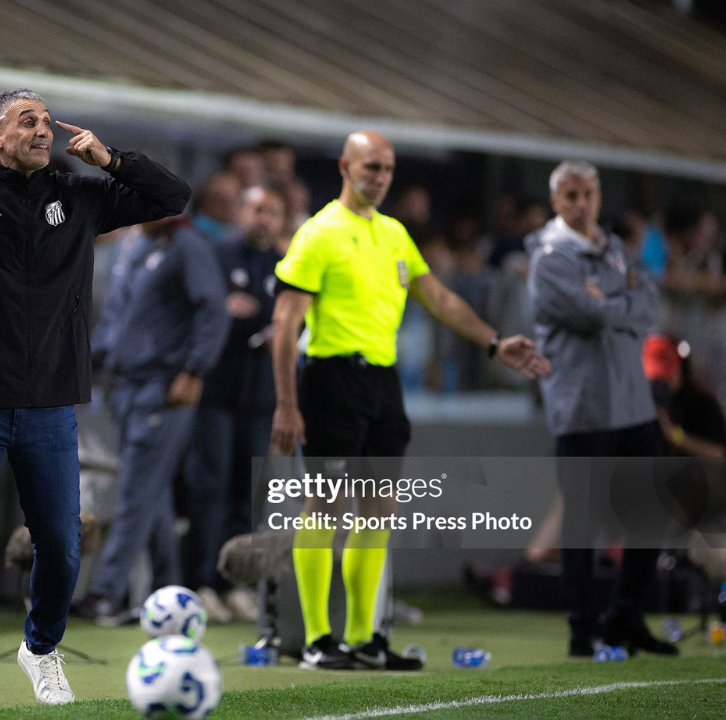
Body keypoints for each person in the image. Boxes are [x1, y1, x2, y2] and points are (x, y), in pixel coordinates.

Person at [0, 88, 190, 712]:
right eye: (28, 122)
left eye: (47, 122)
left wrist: (112, 160)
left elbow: (173, 198)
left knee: (62, 541)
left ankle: (41, 649)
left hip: (50, 400)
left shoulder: (79, 197)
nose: (44, 131)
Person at [271, 131, 548, 671]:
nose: (380, 176)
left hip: (383, 383)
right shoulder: (318, 233)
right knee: (325, 504)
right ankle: (316, 640)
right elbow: (285, 326)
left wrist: (494, 343)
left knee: (378, 508)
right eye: (371, 166)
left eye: (388, 168)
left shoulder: (394, 234)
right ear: (345, 166)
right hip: (330, 377)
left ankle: (362, 638)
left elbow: (438, 296)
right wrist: (287, 403)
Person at [526, 160, 677, 658]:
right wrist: (621, 301)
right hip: (584, 405)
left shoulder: (612, 248)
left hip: (632, 403)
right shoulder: (549, 257)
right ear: (556, 202)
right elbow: (589, 318)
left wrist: (611, 300)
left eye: (587, 194)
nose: (581, 204)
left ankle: (624, 617)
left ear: (597, 195)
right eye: (570, 196)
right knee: (582, 522)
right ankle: (581, 629)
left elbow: (650, 304)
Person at [79, 211, 229, 621]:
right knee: (152, 492)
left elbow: (213, 310)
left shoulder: (188, 246)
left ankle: (105, 592)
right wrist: (90, 369)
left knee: (136, 490)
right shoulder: (136, 244)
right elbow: (115, 315)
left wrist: (195, 369)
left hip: (163, 387)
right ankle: (168, 588)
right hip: (124, 384)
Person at [183, 185, 287, 622]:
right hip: (215, 396)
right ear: (241, 211)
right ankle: (201, 582)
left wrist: (264, 321)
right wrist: (228, 311)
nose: (264, 219)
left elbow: (286, 320)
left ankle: (236, 584)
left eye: (273, 212)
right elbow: (196, 312)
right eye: (258, 209)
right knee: (209, 488)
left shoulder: (286, 266)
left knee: (250, 494)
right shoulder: (215, 256)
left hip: (262, 398)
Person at [189, 172, 243, 245]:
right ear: (206, 202)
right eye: (223, 201)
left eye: (235, 199)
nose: (230, 207)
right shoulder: (190, 234)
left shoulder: (238, 232)